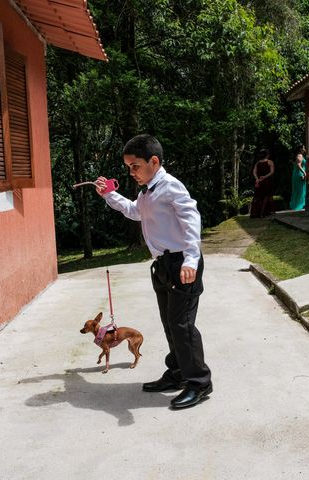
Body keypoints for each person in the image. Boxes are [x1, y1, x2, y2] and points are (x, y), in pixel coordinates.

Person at [94, 134, 212, 409]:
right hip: (163, 265)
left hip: (182, 263)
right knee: (171, 324)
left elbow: (192, 219)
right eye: (128, 167)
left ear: (154, 161)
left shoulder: (171, 187)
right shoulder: (147, 191)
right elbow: (136, 212)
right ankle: (179, 373)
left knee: (182, 325)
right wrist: (109, 195)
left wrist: (191, 260)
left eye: (135, 166)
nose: (131, 172)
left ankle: (199, 382)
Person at [249, 148, 275, 218]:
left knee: (258, 197)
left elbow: (254, 172)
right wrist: (265, 177)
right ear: (267, 155)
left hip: (259, 182)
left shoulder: (258, 163)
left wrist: (257, 179)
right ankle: (262, 213)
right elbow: (272, 172)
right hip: (267, 181)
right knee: (266, 197)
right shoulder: (270, 162)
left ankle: (256, 213)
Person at [289, 145, 307, 210]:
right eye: (303, 148)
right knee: (300, 190)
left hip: (296, 174)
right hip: (300, 174)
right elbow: (298, 165)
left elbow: (295, 164)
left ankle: (295, 205)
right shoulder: (300, 156)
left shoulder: (297, 156)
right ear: (300, 149)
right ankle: (299, 205)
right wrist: (304, 172)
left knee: (296, 190)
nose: (305, 149)